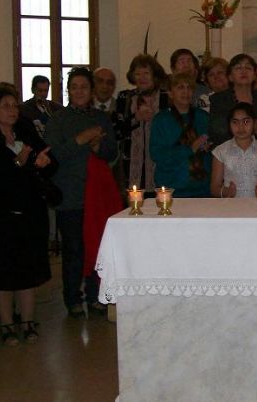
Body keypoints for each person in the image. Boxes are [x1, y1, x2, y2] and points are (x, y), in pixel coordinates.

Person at [0, 83, 56, 345]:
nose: (12, 110)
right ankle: (7, 324)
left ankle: (28, 321)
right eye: (5, 105)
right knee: (3, 272)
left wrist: (44, 163)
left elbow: (51, 160)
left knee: (27, 270)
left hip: (29, 212)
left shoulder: (26, 129)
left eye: (15, 105)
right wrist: (18, 162)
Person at [45, 67, 118, 318]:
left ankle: (97, 295)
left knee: (99, 247)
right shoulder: (58, 119)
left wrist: (99, 146)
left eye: (84, 87)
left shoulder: (101, 117)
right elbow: (53, 157)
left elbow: (113, 153)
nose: (79, 91)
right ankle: (73, 298)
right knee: (74, 249)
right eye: (74, 87)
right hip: (71, 194)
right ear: (68, 90)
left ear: (91, 91)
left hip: (98, 194)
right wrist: (80, 139)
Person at [149, 73, 211, 197]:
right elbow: (157, 155)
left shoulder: (203, 117)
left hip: (202, 188)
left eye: (189, 88)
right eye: (180, 87)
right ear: (171, 93)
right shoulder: (161, 120)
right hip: (172, 188)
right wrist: (190, 149)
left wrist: (208, 148)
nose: (185, 92)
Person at [114, 54, 168, 191]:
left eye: (146, 73)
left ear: (154, 75)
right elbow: (116, 131)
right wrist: (135, 118)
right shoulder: (124, 97)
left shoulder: (166, 97)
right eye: (137, 74)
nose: (142, 77)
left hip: (160, 167)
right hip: (130, 167)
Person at [208, 53, 257, 146]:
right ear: (230, 77)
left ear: (254, 76)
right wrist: (251, 130)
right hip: (228, 153)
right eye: (238, 68)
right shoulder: (218, 99)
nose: (244, 71)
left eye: (248, 68)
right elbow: (217, 132)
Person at [211, 103, 257, 198]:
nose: (240, 127)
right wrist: (225, 191)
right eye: (235, 122)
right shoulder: (220, 151)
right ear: (229, 124)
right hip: (231, 207)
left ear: (255, 123)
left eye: (246, 122)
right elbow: (214, 187)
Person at [22, 75, 63, 139]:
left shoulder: (56, 107)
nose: (43, 94)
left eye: (46, 91)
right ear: (33, 90)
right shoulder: (25, 108)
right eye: (40, 91)